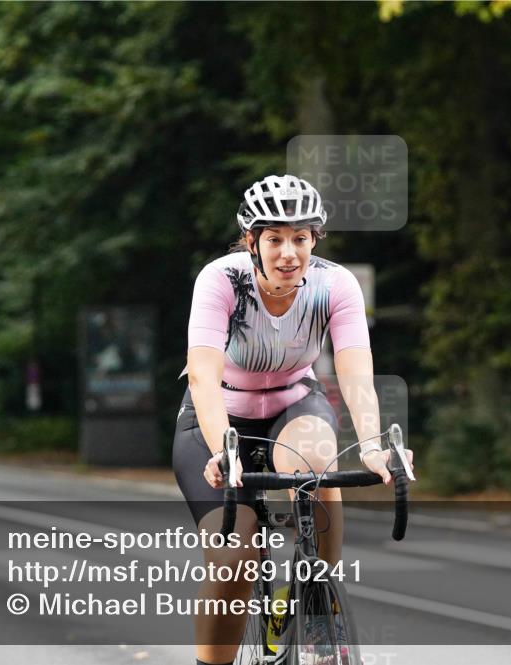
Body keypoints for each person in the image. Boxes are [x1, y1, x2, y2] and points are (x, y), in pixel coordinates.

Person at [172, 174, 413, 665]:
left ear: (314, 240)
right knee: (233, 558)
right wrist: (225, 450)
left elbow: (356, 376)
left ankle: (319, 593)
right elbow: (202, 376)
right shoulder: (221, 280)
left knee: (317, 462)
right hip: (217, 416)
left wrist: (370, 445)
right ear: (251, 242)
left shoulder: (334, 284)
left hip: (292, 405)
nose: (288, 253)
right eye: (275, 239)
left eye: (300, 238)